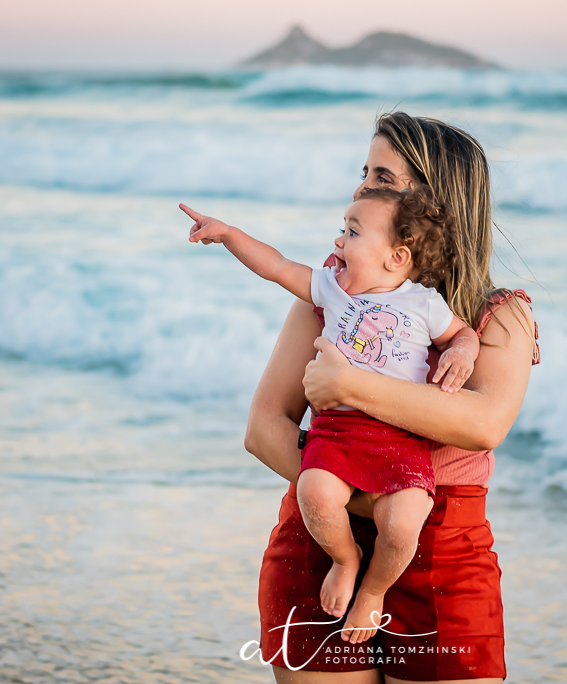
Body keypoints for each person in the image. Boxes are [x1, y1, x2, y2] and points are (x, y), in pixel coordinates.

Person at [245, 112, 540, 682]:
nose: (360, 188)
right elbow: (264, 427)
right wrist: (362, 508)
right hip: (321, 544)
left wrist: (351, 384)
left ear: (434, 205)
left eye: (382, 178)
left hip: (442, 556)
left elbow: (483, 424)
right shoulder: (336, 292)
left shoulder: (499, 316)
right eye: (364, 172)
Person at [180, 185, 480, 644]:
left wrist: (462, 350)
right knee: (315, 493)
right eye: (342, 229)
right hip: (338, 430)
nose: (338, 241)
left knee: (404, 521)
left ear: (397, 258)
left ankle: (374, 590)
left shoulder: (423, 303)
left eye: (354, 232)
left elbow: (461, 334)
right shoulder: (332, 290)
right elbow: (277, 266)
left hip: (401, 436)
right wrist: (229, 235)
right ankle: (346, 559)